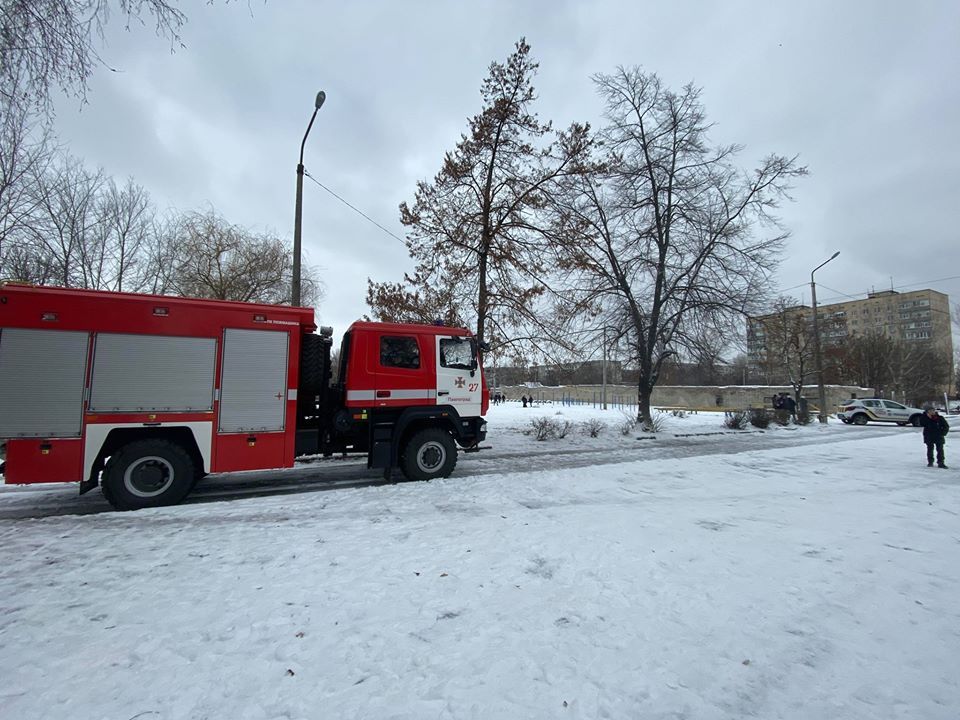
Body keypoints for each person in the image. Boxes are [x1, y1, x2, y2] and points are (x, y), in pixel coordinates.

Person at [919, 404, 949, 469]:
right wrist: (927, 418)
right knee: (930, 449)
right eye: (930, 410)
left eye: (933, 410)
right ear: (927, 411)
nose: (933, 412)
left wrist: (943, 433)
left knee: (940, 450)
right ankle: (930, 462)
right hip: (929, 436)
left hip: (939, 436)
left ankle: (941, 462)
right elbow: (922, 423)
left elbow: (946, 426)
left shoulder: (940, 418)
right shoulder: (923, 418)